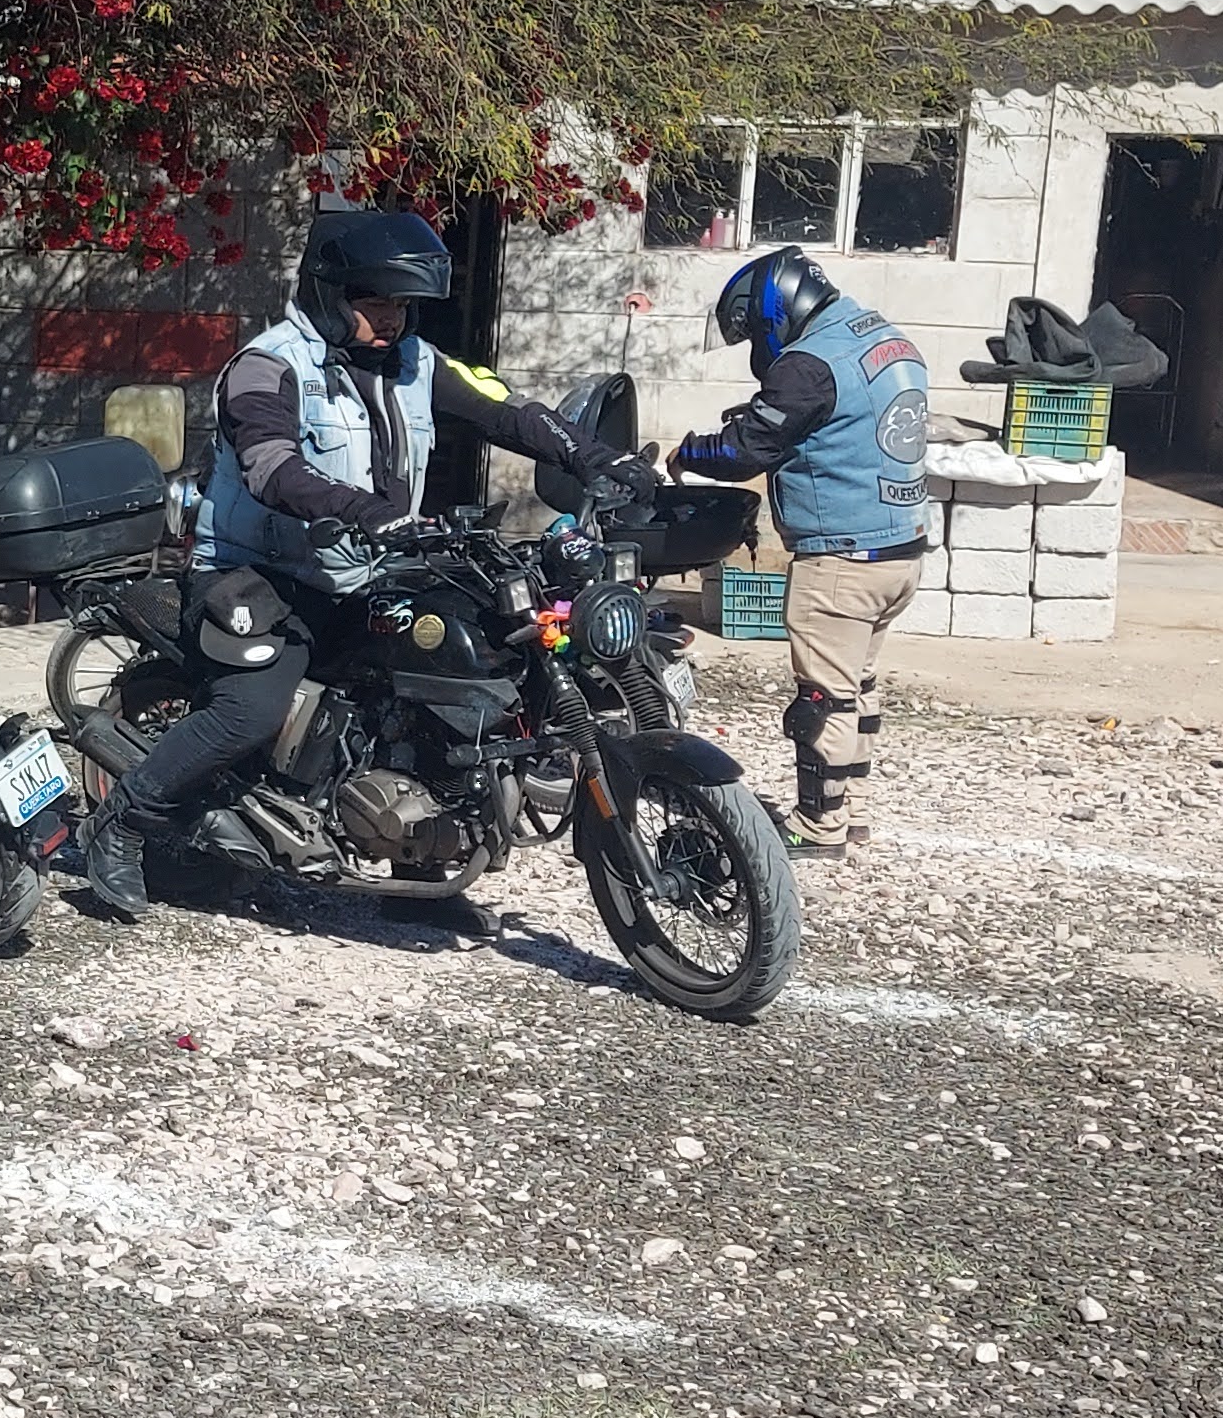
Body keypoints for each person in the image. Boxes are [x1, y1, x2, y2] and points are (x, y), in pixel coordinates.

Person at [71, 206, 619, 924]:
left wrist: (601, 461)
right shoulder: (267, 366)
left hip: (368, 568)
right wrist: (365, 510)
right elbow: (270, 465)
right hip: (257, 568)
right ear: (332, 294)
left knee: (445, 686)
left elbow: (507, 411)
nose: (391, 319)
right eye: (375, 303)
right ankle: (123, 822)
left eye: (401, 304)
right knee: (252, 706)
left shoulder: (419, 363)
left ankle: (415, 873)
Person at [672, 245, 933, 854]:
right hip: (900, 549)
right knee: (858, 689)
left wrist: (690, 452)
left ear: (774, 311)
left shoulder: (809, 364)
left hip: (841, 557)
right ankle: (854, 809)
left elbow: (746, 451)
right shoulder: (880, 335)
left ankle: (819, 824)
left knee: (823, 697)